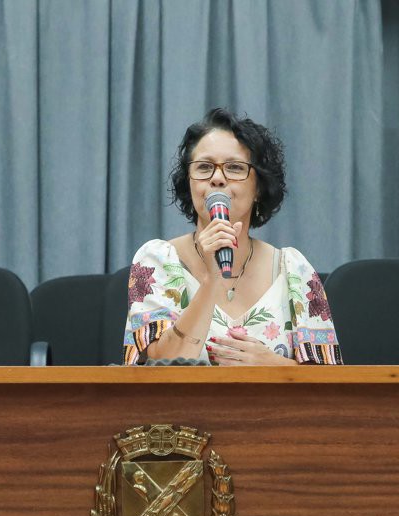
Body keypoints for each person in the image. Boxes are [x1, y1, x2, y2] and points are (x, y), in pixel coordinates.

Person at [123, 108, 341, 366]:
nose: (217, 178)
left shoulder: (293, 270)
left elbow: (330, 382)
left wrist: (273, 367)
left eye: (235, 168)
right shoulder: (156, 261)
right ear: (189, 183)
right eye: (204, 167)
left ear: (259, 187)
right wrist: (211, 280)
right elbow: (156, 371)